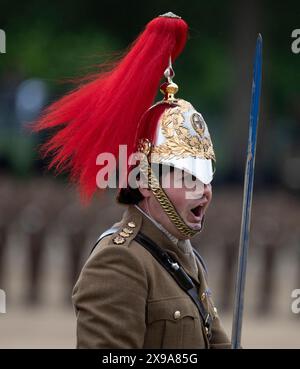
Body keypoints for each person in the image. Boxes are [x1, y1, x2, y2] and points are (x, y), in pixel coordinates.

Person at [31, 12, 231, 349]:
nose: (204, 190)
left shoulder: (186, 256)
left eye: (205, 175)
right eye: (186, 176)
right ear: (142, 179)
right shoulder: (120, 260)